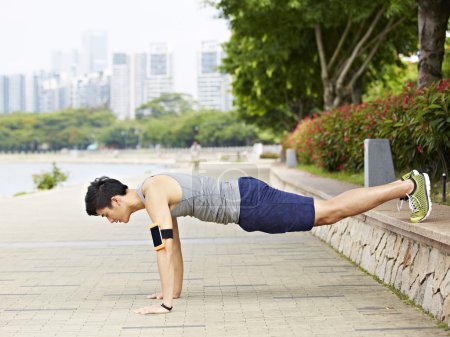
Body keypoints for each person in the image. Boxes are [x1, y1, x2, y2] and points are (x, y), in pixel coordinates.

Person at [84, 169, 431, 315]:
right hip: (248, 204)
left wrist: (166, 307)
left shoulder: (153, 191)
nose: (109, 221)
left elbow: (164, 245)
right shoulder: (152, 192)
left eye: (104, 215)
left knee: (329, 212)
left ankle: (408, 186)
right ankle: (406, 187)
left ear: (114, 201)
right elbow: (175, 248)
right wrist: (171, 290)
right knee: (328, 212)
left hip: (250, 204)